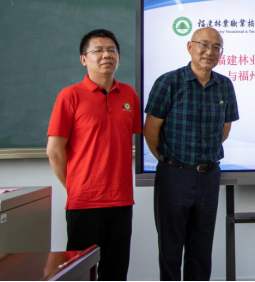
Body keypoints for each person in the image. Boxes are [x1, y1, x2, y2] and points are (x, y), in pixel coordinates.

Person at [144, 27, 239, 281]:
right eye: (204, 44)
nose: (209, 51)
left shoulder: (224, 85)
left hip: (208, 176)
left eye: (216, 47)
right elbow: (151, 130)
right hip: (174, 175)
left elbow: (224, 129)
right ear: (190, 47)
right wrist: (168, 161)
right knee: (170, 250)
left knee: (201, 251)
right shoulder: (169, 82)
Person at [47, 29, 141, 281]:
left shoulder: (129, 95)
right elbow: (54, 151)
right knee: (80, 274)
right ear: (83, 59)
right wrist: (75, 186)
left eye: (112, 50)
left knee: (116, 273)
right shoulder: (70, 96)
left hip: (121, 201)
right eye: (98, 50)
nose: (106, 55)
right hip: (84, 204)